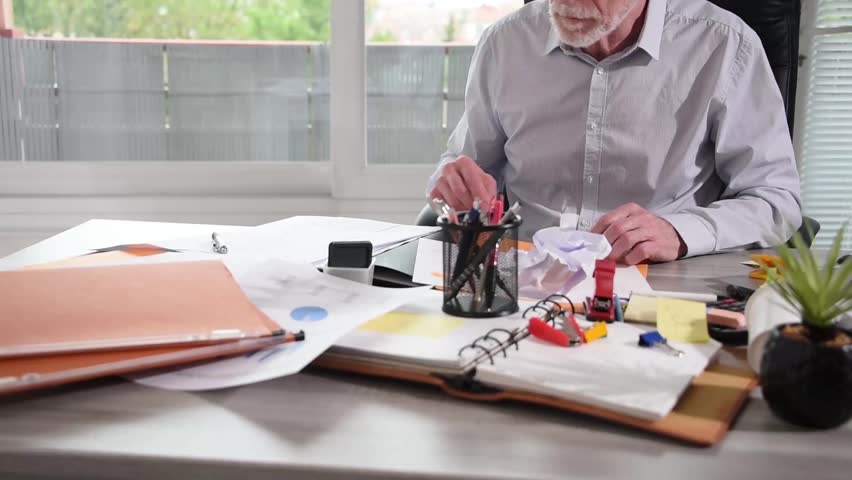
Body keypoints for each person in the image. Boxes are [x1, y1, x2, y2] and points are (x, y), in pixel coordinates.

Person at [426, 0, 802, 265]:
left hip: (662, 279)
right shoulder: (505, 42)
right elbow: (467, 164)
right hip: (528, 274)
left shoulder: (724, 44)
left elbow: (776, 200)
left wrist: (679, 232)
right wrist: (455, 180)